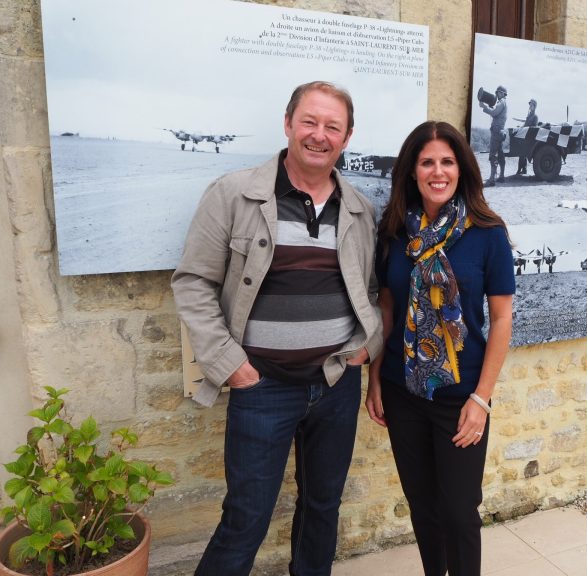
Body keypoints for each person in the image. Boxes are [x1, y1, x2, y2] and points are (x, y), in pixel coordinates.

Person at [171, 80, 383, 576]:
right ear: (288, 123)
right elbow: (193, 282)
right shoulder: (233, 194)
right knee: (246, 517)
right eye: (309, 121)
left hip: (335, 387)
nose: (319, 135)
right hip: (261, 386)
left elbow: (370, 291)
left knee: (322, 508)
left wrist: (361, 349)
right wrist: (232, 366)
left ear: (347, 137)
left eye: (333, 126)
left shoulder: (358, 209)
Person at [365, 121, 515, 576]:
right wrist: (373, 380)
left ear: (461, 169)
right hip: (401, 387)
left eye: (447, 161)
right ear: (412, 171)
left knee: (459, 510)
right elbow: (387, 312)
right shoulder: (394, 232)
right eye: (427, 162)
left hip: (460, 392)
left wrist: (481, 399)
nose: (437, 171)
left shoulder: (486, 232)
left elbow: (503, 318)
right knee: (423, 507)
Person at [479, 85, 508, 186]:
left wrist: (484, 107)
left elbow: (495, 113)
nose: (497, 94)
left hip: (496, 132)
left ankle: (492, 179)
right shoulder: (503, 103)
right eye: (497, 92)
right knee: (500, 154)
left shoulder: (502, 102)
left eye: (499, 92)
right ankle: (502, 176)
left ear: (503, 94)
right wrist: (489, 108)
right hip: (500, 132)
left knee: (492, 155)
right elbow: (496, 113)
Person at [515, 99, 538, 175]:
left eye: (532, 105)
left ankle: (521, 169)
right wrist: (520, 128)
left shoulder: (535, 116)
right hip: (525, 136)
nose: (530, 106)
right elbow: (525, 125)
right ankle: (523, 169)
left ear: (535, 106)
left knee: (522, 153)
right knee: (521, 153)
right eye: (530, 105)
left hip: (530, 138)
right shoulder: (529, 115)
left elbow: (534, 128)